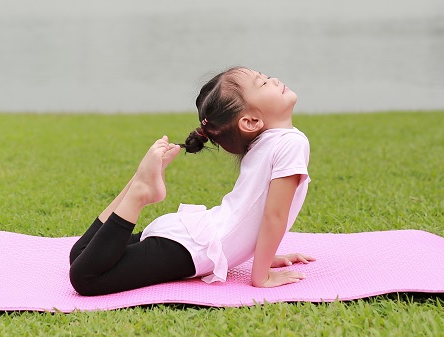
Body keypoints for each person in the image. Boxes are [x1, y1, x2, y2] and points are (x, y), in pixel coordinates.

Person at [69, 67, 314, 296]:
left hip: (193, 236)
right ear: (250, 122)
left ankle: (138, 183)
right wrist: (262, 275)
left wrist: (264, 256)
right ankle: (139, 192)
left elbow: (255, 209)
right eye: (262, 82)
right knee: (87, 277)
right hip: (196, 248)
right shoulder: (291, 142)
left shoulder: (269, 142)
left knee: (81, 256)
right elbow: (274, 216)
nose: (273, 80)